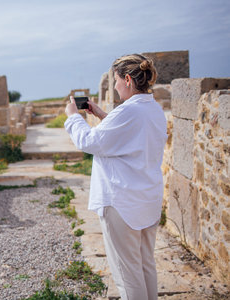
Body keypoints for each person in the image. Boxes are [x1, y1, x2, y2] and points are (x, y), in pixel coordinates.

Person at [64, 54, 167, 300]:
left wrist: (73, 116)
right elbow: (126, 134)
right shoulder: (153, 109)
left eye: (116, 81)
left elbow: (89, 142)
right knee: (144, 265)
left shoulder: (128, 112)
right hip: (146, 199)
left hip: (122, 203)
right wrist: (101, 114)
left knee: (127, 273)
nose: (116, 86)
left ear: (128, 79)